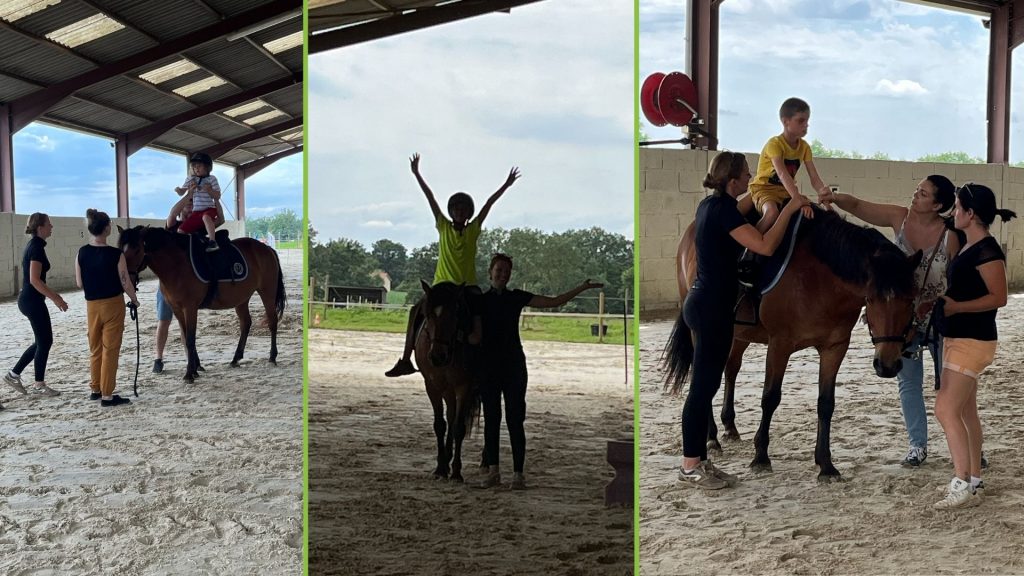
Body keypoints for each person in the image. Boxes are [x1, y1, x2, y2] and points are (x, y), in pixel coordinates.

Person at [677, 151, 809, 490]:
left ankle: (700, 462)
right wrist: (789, 208)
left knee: (707, 387)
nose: (751, 178)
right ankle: (690, 466)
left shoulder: (712, 207)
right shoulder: (722, 209)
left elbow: (751, 232)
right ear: (732, 179)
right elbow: (764, 245)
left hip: (711, 306)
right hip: (710, 308)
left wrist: (772, 212)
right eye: (746, 174)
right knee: (701, 390)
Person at [818, 175, 959, 467]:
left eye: (923, 193)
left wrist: (937, 305)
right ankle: (917, 445)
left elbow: (959, 278)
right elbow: (859, 205)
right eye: (917, 190)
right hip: (901, 321)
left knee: (952, 385)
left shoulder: (952, 234)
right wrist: (834, 198)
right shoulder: (900, 218)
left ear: (939, 205)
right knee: (908, 383)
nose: (915, 195)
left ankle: (966, 444)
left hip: (942, 318)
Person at [385, 152, 520, 377]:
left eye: (464, 209)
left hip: (467, 287)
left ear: (468, 214)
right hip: (442, 286)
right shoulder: (443, 226)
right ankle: (406, 359)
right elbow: (430, 198)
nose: (460, 212)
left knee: (483, 317)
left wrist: (506, 185)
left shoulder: (473, 229)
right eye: (456, 209)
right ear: (451, 212)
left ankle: (486, 361)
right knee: (415, 311)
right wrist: (417, 174)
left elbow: (489, 204)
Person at [476, 254, 603, 489]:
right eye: (499, 270)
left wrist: (582, 288)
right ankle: (493, 471)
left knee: (515, 419)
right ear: (490, 272)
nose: (503, 274)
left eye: (507, 271)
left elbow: (554, 301)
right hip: (488, 367)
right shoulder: (480, 301)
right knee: (491, 420)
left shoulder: (517, 297)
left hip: (513, 366)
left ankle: (518, 474)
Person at [931, 183, 1014, 509]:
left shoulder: (987, 251)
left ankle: (962, 482)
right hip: (960, 337)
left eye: (956, 207)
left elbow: (1000, 298)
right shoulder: (969, 246)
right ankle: (974, 480)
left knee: (945, 408)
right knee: (965, 411)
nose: (953, 212)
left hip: (972, 339)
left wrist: (957, 308)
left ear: (970, 213)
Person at [75, 209, 139, 407]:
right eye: (109, 224)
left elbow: (79, 283)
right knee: (110, 349)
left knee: (95, 348)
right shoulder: (115, 254)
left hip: (92, 305)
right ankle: (108, 395)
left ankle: (95, 388)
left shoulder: (82, 252)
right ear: (105, 229)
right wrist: (134, 299)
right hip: (112, 304)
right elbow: (125, 282)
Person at [4, 213, 67, 397]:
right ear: (40, 228)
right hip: (32, 300)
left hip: (30, 299)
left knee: (42, 341)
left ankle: (13, 375)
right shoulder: (36, 247)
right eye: (49, 224)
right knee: (45, 341)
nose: (52, 227)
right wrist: (56, 298)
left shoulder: (36, 245)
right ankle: (38, 384)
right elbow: (35, 280)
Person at [748, 97, 828, 232]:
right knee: (772, 213)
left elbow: (814, 177)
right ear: (785, 121)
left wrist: (823, 193)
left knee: (812, 213)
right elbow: (782, 173)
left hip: (785, 192)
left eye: (807, 121)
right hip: (765, 189)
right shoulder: (775, 144)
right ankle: (751, 248)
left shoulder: (805, 147)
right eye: (801, 121)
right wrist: (797, 199)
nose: (806, 125)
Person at [175, 152, 222, 251]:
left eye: (199, 166)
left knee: (206, 217)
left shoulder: (212, 179)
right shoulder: (191, 179)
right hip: (196, 212)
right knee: (180, 230)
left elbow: (217, 196)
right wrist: (179, 190)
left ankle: (212, 241)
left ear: (207, 167)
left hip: (209, 209)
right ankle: (186, 249)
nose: (196, 168)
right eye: (194, 166)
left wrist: (209, 190)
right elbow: (182, 191)